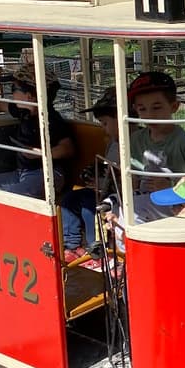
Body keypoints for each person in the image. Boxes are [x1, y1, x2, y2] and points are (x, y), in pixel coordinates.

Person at [0, 64, 75, 198]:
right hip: (22, 173)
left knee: (14, 197)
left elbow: (67, 149)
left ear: (29, 96)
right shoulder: (24, 112)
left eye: (14, 89)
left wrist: (41, 153)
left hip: (47, 174)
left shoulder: (50, 118)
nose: (12, 94)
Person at [121, 70, 185, 221]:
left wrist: (171, 185)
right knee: (113, 204)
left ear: (174, 106)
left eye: (156, 107)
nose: (149, 115)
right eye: (142, 109)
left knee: (134, 211)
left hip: (175, 203)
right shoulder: (136, 139)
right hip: (145, 198)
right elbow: (133, 177)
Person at [61, 89, 119, 266]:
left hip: (117, 194)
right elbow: (106, 167)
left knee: (90, 208)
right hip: (105, 188)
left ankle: (99, 253)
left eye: (105, 123)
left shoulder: (134, 142)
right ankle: (72, 245)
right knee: (70, 198)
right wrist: (95, 174)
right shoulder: (112, 142)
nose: (103, 128)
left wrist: (102, 183)